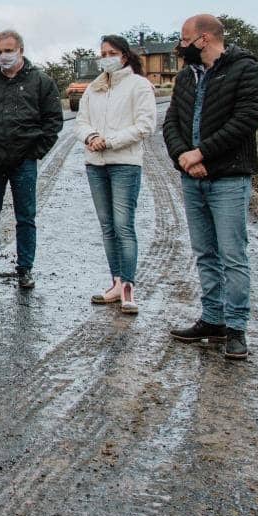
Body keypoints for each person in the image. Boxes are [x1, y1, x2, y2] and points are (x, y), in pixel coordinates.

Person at [162, 14, 258, 359]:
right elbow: (171, 123)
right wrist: (182, 156)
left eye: (184, 39)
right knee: (205, 253)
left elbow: (249, 116)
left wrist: (203, 152)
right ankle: (213, 318)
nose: (180, 45)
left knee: (232, 255)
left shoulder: (245, 69)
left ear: (204, 39)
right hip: (192, 177)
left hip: (227, 177)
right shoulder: (185, 78)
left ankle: (237, 328)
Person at [0, 29, 63, 289]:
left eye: (8, 50)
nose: (3, 56)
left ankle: (25, 269)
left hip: (24, 163)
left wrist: (36, 151)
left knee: (26, 217)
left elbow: (53, 121)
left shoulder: (41, 82)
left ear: (21, 50)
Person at [75, 35, 157, 314]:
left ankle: (128, 287)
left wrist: (109, 141)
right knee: (108, 225)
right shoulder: (94, 88)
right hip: (95, 163)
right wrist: (91, 136)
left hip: (124, 162)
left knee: (124, 225)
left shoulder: (139, 86)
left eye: (111, 52)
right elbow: (80, 121)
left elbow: (145, 125)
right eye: (102, 53)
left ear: (124, 56)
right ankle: (115, 281)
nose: (106, 57)